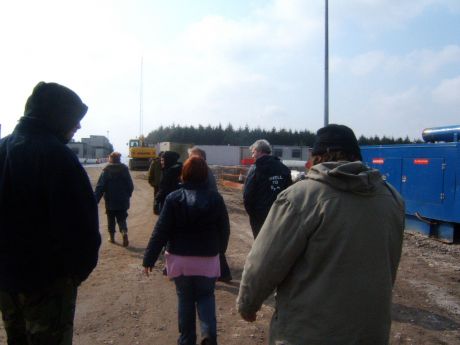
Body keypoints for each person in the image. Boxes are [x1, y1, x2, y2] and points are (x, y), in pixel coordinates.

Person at [237, 124, 405, 345]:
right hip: (370, 332)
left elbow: (264, 263)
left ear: (316, 157)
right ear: (356, 156)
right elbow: (389, 264)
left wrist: (248, 304)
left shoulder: (300, 198)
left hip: (307, 332)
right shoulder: (392, 199)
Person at [0, 81, 101, 344]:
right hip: (47, 283)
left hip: (6, 280)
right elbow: (83, 229)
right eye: (74, 119)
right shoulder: (58, 157)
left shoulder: (2, 148)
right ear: (57, 116)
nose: (78, 126)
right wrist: (71, 276)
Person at [143, 156, 230, 345]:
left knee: (185, 300)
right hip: (207, 258)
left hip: (179, 259)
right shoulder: (216, 198)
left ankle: (186, 340)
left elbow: (161, 231)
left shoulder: (173, 198)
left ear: (184, 174)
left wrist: (148, 259)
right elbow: (224, 230)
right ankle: (208, 334)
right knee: (206, 296)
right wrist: (219, 250)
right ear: (205, 174)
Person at [188, 146, 232, 283]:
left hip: (206, 211)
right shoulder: (207, 171)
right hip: (210, 210)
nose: (188, 159)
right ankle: (223, 274)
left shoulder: (202, 172)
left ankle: (220, 274)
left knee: (212, 247)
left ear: (199, 157)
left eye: (190, 156)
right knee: (215, 246)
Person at [243, 139, 292, 238]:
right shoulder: (283, 168)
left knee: (261, 244)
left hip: (259, 217)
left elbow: (247, 196)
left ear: (258, 151)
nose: (252, 156)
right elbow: (290, 192)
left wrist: (253, 215)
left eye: (253, 153)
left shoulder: (256, 168)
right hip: (279, 214)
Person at [95, 151, 134, 247]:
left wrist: (95, 199)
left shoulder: (106, 170)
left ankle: (112, 238)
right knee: (122, 217)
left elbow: (100, 186)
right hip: (122, 199)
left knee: (111, 218)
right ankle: (124, 232)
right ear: (119, 159)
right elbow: (130, 185)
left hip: (110, 199)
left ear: (110, 159)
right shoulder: (124, 169)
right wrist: (127, 195)